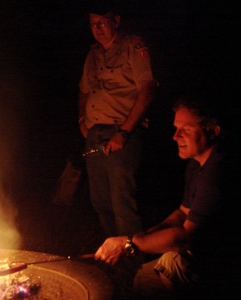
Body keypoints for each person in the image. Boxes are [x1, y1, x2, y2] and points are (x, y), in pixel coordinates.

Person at [94, 97, 226, 298]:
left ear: (213, 131)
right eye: (175, 128)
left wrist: (127, 244)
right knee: (143, 278)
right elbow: (181, 214)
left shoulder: (217, 171)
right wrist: (143, 238)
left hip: (222, 264)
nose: (175, 136)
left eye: (186, 129)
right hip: (197, 254)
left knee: (159, 276)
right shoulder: (196, 164)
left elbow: (183, 238)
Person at [78, 2, 156, 237]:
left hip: (121, 133)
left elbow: (148, 88)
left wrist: (124, 132)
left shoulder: (133, 46)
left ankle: (133, 263)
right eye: (93, 24)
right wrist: (82, 119)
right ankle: (113, 258)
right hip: (94, 134)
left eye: (102, 22)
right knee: (101, 203)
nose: (97, 28)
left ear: (116, 21)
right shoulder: (93, 54)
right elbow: (83, 90)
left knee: (122, 202)